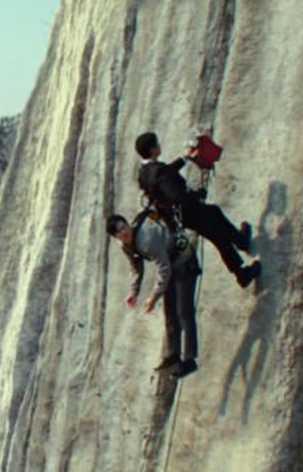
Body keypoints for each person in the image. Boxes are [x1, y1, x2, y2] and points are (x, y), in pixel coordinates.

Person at [134, 131, 259, 288]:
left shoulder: (145, 172)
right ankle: (241, 270)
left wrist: (185, 158)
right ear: (153, 150)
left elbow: (165, 174)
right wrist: (196, 195)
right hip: (189, 211)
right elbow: (176, 196)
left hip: (179, 217)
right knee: (218, 234)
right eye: (157, 144)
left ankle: (240, 243)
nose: (159, 146)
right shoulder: (158, 171)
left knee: (215, 217)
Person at [108, 212, 201, 377]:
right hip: (172, 265)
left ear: (127, 224)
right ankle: (172, 356)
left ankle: (189, 359)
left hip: (184, 260)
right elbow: (136, 268)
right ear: (116, 237)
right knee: (170, 314)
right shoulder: (126, 246)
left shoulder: (146, 240)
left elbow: (163, 268)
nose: (124, 232)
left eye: (124, 226)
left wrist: (153, 297)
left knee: (184, 311)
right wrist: (133, 292)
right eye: (119, 232)